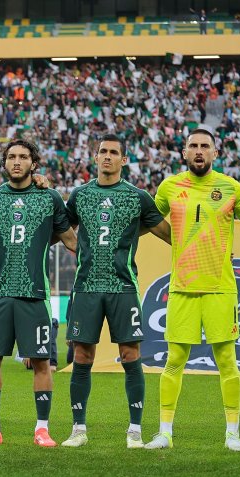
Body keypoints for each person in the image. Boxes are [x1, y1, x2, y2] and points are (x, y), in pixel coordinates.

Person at [60, 135, 171, 449]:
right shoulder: (79, 195)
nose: (107, 157)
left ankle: (134, 430)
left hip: (123, 287)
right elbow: (62, 227)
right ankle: (78, 429)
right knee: (82, 355)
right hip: (86, 288)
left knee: (130, 355)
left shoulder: (138, 197)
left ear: (124, 160)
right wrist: (76, 247)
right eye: (102, 152)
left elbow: (169, 235)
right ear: (95, 158)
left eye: (113, 153)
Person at [145, 128, 240, 451]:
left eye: (205, 146)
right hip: (181, 288)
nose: (199, 151)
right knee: (174, 360)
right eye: (193, 146)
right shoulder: (169, 186)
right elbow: (150, 218)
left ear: (215, 153)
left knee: (227, 362)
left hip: (221, 289)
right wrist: (174, 240)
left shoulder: (231, 188)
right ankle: (165, 432)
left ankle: (232, 433)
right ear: (184, 153)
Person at [0, 139, 77, 446]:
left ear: (34, 164)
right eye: (12, 157)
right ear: (4, 163)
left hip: (34, 294)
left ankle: (42, 429)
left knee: (41, 362)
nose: (17, 161)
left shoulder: (49, 197)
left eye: (23, 157)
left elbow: (71, 240)